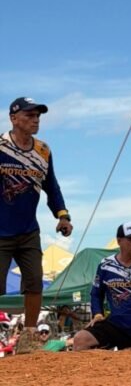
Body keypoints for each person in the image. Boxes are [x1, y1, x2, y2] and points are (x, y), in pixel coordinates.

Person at [0, 97, 73, 353]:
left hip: (29, 230)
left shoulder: (43, 151)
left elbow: (51, 186)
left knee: (34, 281)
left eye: (38, 116)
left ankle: (29, 337)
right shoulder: (1, 146)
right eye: (29, 115)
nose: (35, 120)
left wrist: (62, 215)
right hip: (0, 231)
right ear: (13, 118)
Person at [73, 223, 131, 351]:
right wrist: (98, 314)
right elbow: (96, 293)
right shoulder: (106, 264)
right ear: (119, 241)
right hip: (114, 325)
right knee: (80, 339)